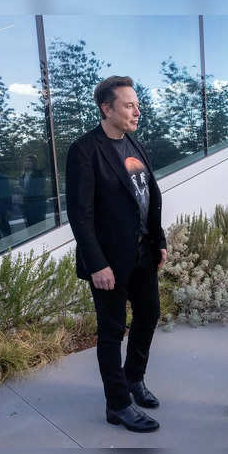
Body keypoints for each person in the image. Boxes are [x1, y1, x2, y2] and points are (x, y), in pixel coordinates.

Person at [65, 76, 167, 433]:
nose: (137, 111)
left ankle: (133, 378)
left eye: (137, 104)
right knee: (112, 331)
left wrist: (160, 239)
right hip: (109, 262)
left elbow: (147, 196)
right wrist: (97, 264)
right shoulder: (84, 150)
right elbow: (80, 215)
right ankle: (118, 404)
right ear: (106, 109)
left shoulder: (134, 143)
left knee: (149, 314)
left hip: (143, 253)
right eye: (129, 105)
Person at [19, 155, 47, 227]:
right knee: (29, 226)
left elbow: (38, 189)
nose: (27, 163)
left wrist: (23, 191)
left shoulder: (39, 173)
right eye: (26, 161)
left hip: (37, 204)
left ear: (34, 163)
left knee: (39, 226)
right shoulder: (23, 175)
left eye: (30, 161)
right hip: (26, 205)